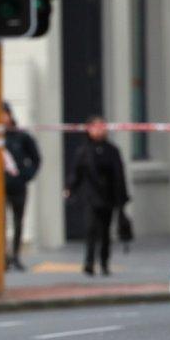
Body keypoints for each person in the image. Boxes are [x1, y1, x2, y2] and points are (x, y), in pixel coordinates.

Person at [0, 102, 42, 271]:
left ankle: (15, 255)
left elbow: (36, 159)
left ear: (10, 115)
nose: (1, 118)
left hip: (18, 186)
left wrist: (25, 176)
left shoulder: (21, 136)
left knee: (18, 222)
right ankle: (2, 257)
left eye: (3, 114)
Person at [65, 116, 129, 276]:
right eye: (96, 127)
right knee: (90, 229)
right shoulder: (84, 151)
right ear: (89, 129)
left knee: (106, 232)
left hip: (108, 197)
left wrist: (121, 198)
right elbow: (76, 172)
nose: (100, 130)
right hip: (91, 196)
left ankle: (104, 262)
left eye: (103, 126)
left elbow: (119, 175)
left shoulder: (112, 151)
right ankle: (89, 262)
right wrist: (69, 188)